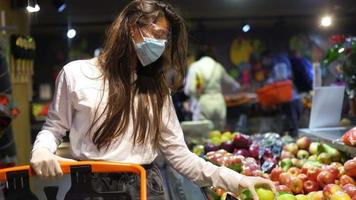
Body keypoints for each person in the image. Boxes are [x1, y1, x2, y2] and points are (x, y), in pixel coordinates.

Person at [29, 0, 275, 199]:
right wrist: (41, 150)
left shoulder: (156, 89)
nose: (161, 44)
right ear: (130, 27)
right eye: (157, 34)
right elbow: (53, 128)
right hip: (88, 188)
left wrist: (236, 180)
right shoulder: (75, 74)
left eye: (165, 38)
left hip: (144, 188)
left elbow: (180, 155)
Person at [184, 46, 241, 130]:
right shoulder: (218, 66)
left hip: (203, 103)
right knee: (218, 135)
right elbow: (233, 85)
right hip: (219, 103)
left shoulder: (195, 66)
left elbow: (190, 90)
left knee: (202, 136)